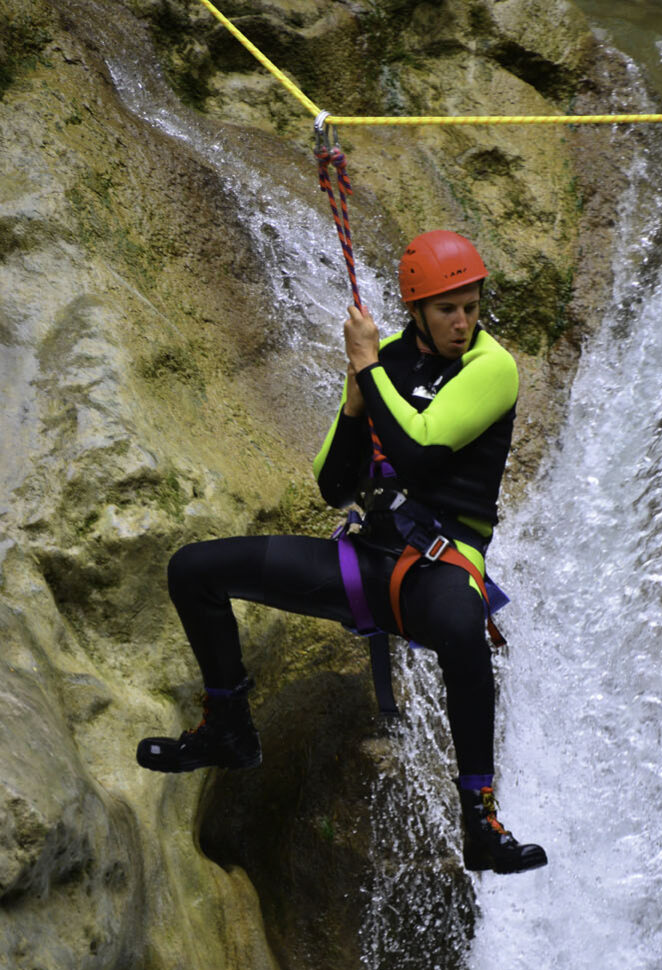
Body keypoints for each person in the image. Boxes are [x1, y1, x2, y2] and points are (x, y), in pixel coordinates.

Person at [137, 229, 547, 876]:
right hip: (363, 562)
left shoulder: (491, 367)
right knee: (193, 570)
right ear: (417, 310)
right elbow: (333, 484)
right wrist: (358, 404)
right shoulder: (385, 360)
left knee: (463, 629)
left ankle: (481, 820)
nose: (462, 321)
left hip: (439, 568)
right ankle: (228, 725)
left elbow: (419, 453)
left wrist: (366, 371)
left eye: (471, 305)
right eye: (447, 309)